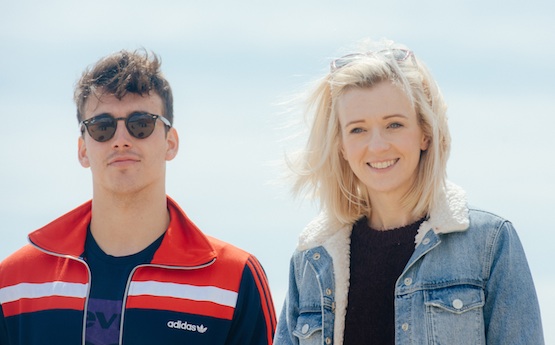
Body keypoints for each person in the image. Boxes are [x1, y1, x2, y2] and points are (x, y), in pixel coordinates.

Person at [273, 39, 544, 345]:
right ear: (342, 147)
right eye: (358, 129)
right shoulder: (312, 258)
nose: (377, 146)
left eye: (394, 125)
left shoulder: (489, 244)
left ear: (425, 133)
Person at [0, 49, 276, 345]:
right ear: (83, 149)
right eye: (102, 127)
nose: (121, 140)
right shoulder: (15, 283)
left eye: (140, 124)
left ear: (171, 142)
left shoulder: (233, 279)